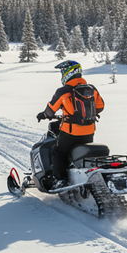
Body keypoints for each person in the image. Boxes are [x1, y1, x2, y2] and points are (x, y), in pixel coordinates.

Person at [37, 60, 104, 189]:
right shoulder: (92, 89)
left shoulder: (63, 91)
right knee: (83, 153)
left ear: (69, 72)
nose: (62, 74)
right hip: (89, 131)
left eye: (63, 71)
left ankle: (60, 180)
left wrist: (43, 115)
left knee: (59, 152)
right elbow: (100, 106)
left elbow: (50, 110)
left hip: (70, 132)